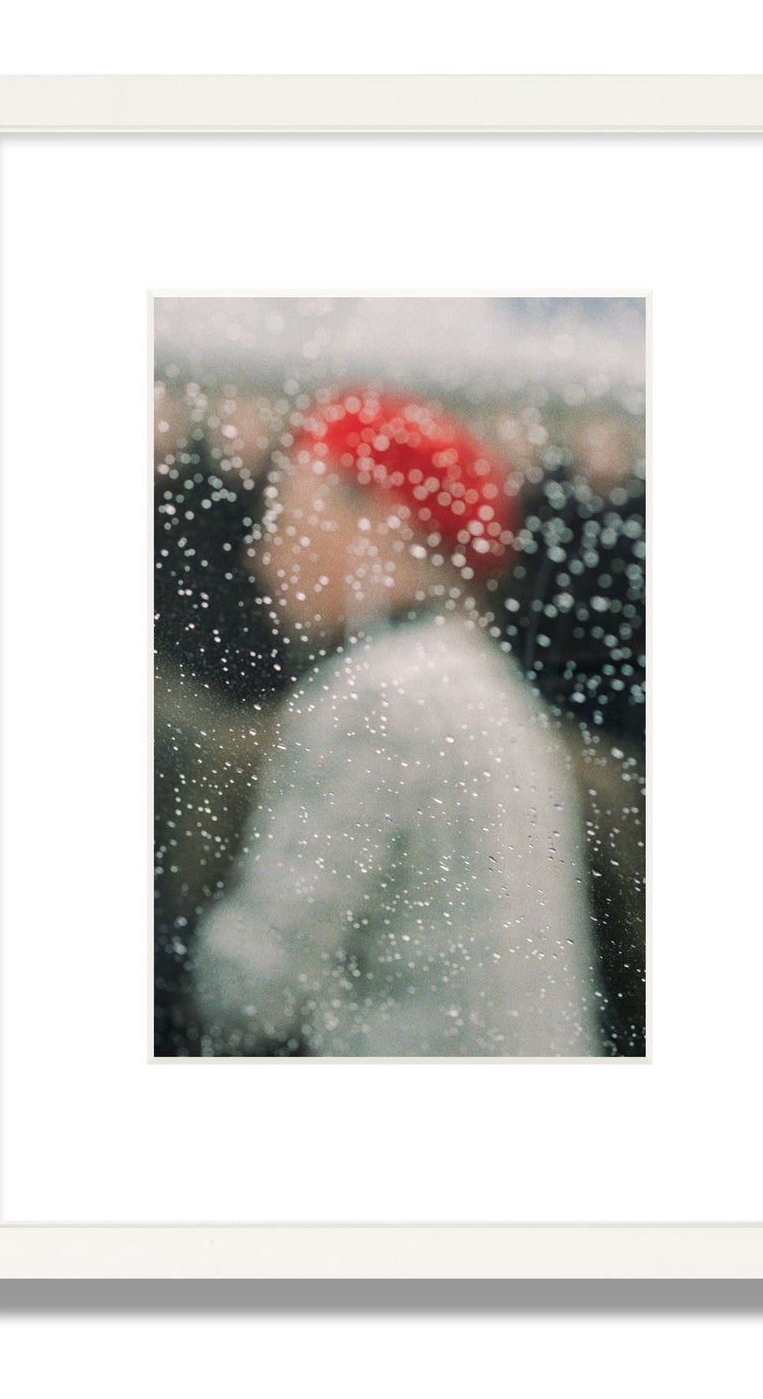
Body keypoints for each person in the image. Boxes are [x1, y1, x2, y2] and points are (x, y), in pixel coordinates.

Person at [191, 390, 603, 1057]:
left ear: (379, 524)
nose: (261, 554)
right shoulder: (481, 684)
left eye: (284, 518)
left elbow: (251, 989)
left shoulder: (380, 696)